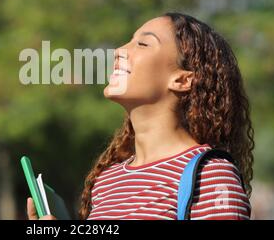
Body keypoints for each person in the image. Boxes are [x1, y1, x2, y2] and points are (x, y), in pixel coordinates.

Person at [27, 12, 254, 220]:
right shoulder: (107, 182)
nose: (119, 51)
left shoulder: (212, 176)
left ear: (182, 80)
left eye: (143, 44)